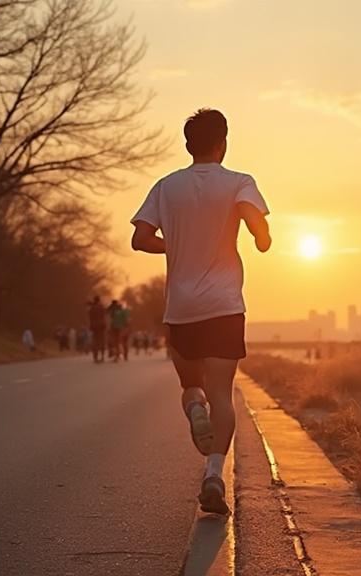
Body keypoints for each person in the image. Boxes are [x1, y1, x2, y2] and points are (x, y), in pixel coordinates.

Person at [131, 108, 271, 515]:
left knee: (192, 387)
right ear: (222, 143)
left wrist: (173, 245)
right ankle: (213, 474)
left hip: (182, 307)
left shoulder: (166, 186)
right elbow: (254, 224)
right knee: (222, 394)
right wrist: (261, 235)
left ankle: (194, 411)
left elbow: (140, 239)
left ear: (188, 145)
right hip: (224, 305)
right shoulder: (239, 183)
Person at [88, 296, 107, 363]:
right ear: (99, 300)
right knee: (101, 341)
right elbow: (104, 316)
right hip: (101, 326)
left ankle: (95, 357)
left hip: (94, 326)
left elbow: (90, 318)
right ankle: (102, 357)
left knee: (95, 341)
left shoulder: (91, 308)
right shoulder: (101, 307)